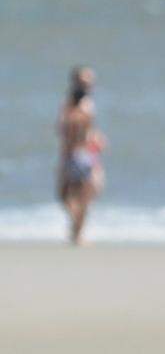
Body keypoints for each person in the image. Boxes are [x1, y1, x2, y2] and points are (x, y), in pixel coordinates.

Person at [57, 66, 106, 245]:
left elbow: (64, 130)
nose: (89, 85)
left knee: (76, 194)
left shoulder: (77, 106)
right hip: (81, 154)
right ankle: (77, 230)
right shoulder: (81, 105)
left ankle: (77, 231)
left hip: (79, 154)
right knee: (74, 195)